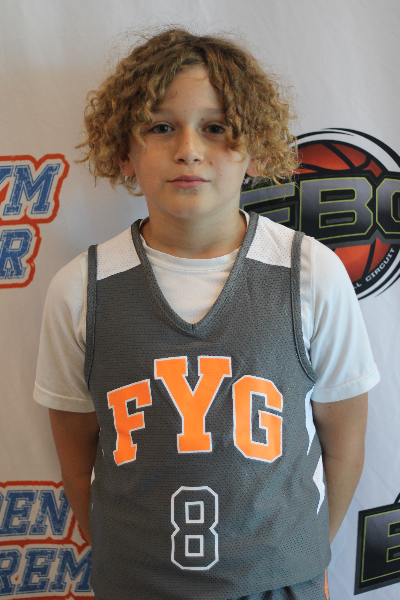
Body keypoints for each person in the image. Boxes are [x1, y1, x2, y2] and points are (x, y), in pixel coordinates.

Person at [34, 28, 380, 600]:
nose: (189, 149)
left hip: (281, 583)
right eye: (161, 127)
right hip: (138, 585)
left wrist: (304, 554)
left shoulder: (310, 273)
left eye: (216, 128)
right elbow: (77, 457)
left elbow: (344, 444)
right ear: (124, 150)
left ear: (255, 147)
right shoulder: (80, 289)